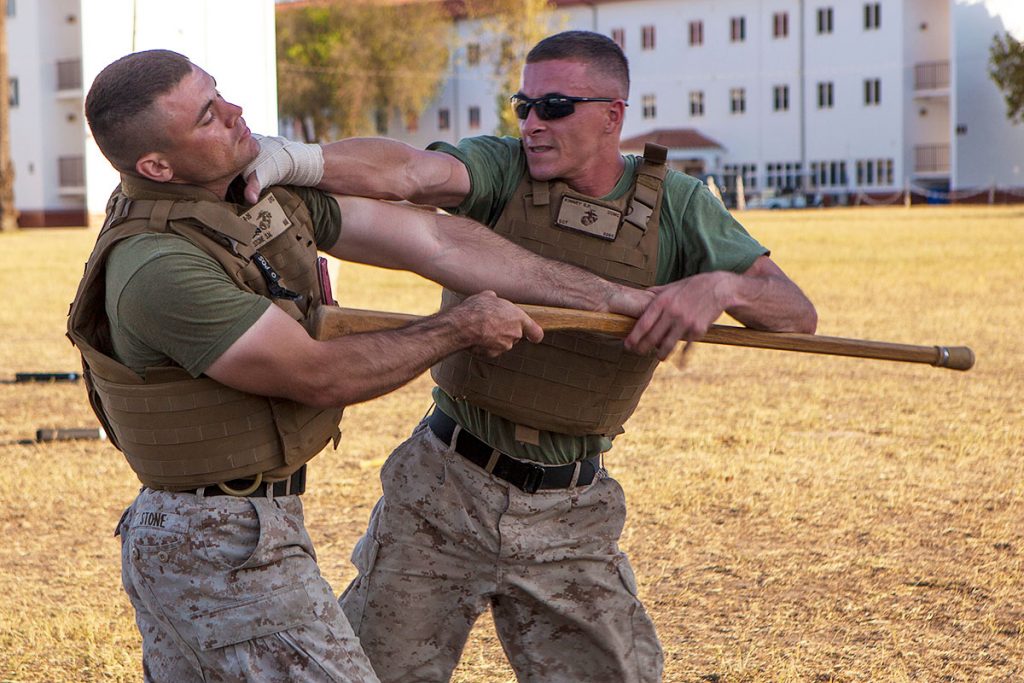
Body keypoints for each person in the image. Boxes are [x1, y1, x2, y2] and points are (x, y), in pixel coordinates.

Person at [67, 48, 654, 683]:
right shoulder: (160, 264)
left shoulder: (249, 201)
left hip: (247, 525)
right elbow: (318, 373)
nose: (236, 114)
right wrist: (458, 327)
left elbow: (435, 240)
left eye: (222, 95)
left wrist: (611, 297)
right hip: (213, 545)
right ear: (156, 164)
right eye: (208, 116)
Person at [247, 30, 817, 682]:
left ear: (613, 114)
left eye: (554, 106)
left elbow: (796, 313)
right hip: (443, 489)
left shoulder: (679, 208)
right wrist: (290, 158)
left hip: (571, 511)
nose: (533, 124)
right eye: (524, 105)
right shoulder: (500, 167)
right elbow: (411, 171)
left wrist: (721, 284)